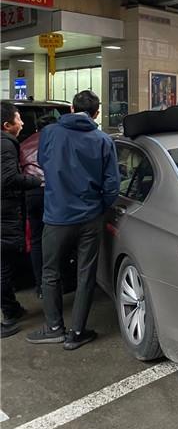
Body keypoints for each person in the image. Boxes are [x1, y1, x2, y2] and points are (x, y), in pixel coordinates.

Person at [27, 90, 120, 350]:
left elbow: (43, 162)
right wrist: (98, 207)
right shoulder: (103, 140)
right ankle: (77, 332)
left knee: (50, 272)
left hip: (56, 216)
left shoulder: (50, 133)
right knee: (86, 274)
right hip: (90, 217)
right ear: (97, 113)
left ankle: (54, 328)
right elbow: (112, 185)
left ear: (70, 109)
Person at [1, 102, 42, 338]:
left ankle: (12, 308)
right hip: (4, 213)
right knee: (3, 267)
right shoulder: (6, 144)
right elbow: (8, 179)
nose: (23, 123)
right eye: (19, 119)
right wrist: (35, 181)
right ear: (7, 125)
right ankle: (8, 314)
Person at [20, 115, 57, 299]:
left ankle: (40, 286)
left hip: (31, 193)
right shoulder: (57, 140)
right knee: (56, 237)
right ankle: (55, 283)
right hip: (52, 192)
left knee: (36, 240)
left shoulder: (24, 144)